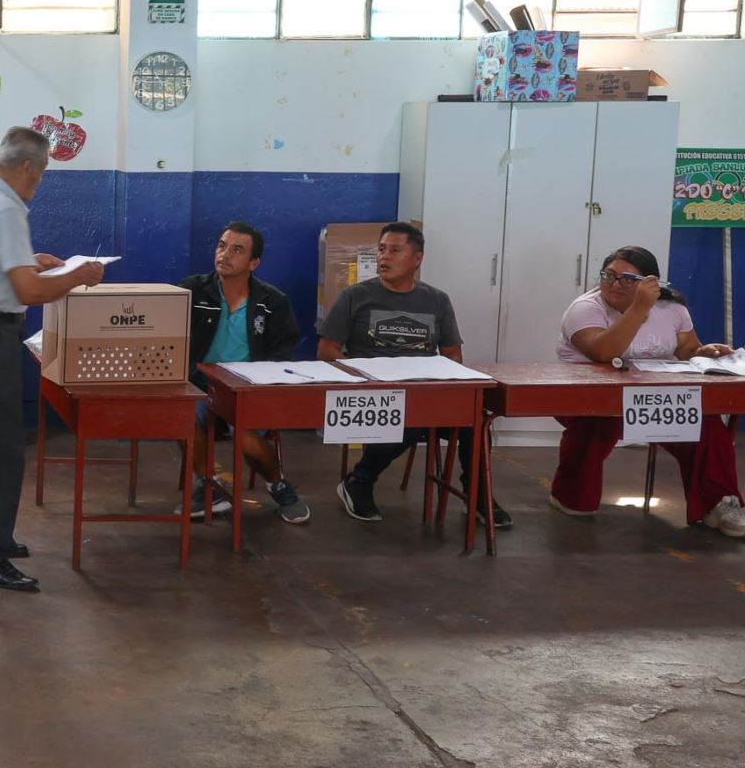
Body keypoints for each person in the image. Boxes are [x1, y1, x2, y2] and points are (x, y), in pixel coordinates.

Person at [0, 126, 104, 592]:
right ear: (29, 167)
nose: (41, 182)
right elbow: (29, 292)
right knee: (3, 451)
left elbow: (4, 265)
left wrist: (31, 258)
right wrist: (80, 276)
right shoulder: (8, 209)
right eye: (43, 173)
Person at [318, 222, 510, 528]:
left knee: (476, 419)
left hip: (424, 391)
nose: (384, 257)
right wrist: (361, 374)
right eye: (381, 249)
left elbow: (452, 355)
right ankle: (358, 481)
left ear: (417, 259)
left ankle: (477, 495)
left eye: (395, 250)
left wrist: (440, 376)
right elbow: (326, 350)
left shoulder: (436, 300)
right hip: (374, 395)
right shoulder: (355, 297)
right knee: (405, 417)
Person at [551, 245, 743, 535]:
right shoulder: (585, 308)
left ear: (650, 283)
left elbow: (687, 349)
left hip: (652, 398)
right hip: (592, 399)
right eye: (609, 276)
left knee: (705, 423)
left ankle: (718, 503)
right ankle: (570, 494)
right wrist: (639, 308)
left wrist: (705, 351)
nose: (614, 284)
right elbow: (603, 352)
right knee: (597, 425)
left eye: (627, 279)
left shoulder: (672, 308)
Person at [179, 222, 309, 524]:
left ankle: (278, 484)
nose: (225, 254)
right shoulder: (192, 289)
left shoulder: (273, 301)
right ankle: (209, 486)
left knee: (247, 437)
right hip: (200, 385)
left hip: (248, 388)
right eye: (222, 245)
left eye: (237, 250)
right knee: (182, 416)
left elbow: (283, 352)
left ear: (254, 263)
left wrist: (259, 383)